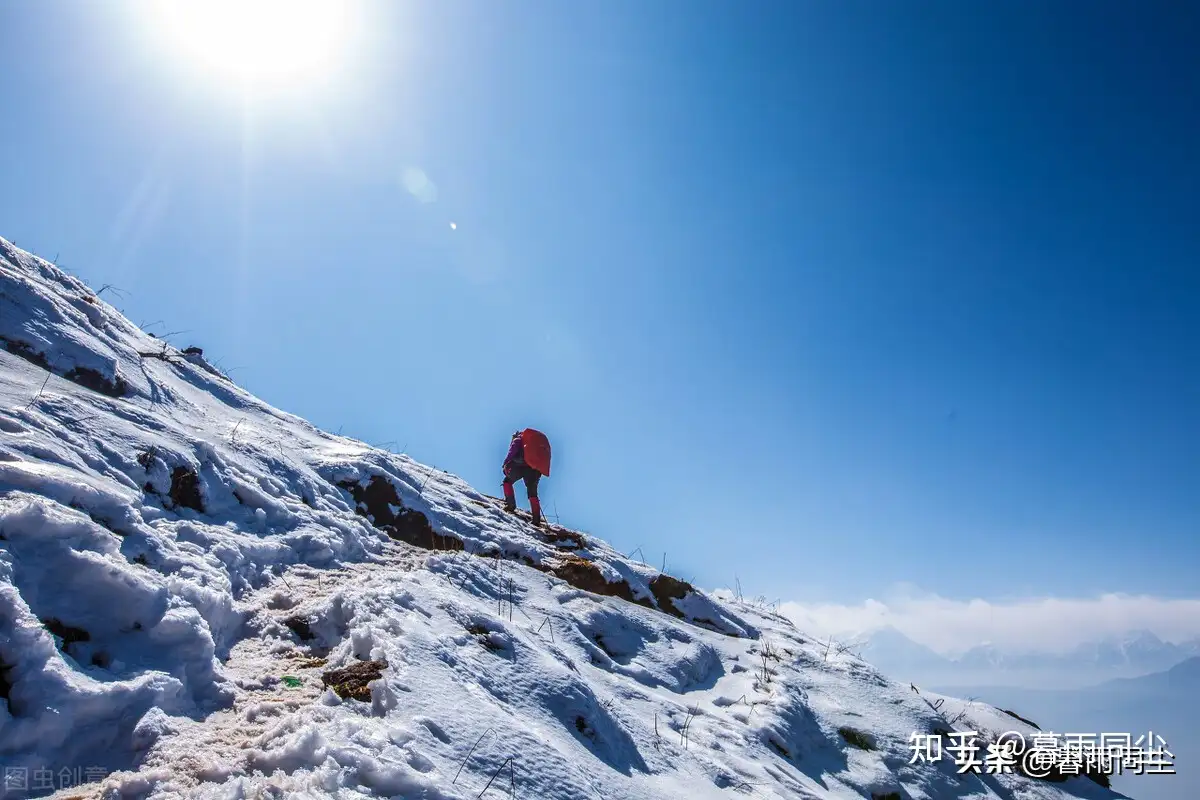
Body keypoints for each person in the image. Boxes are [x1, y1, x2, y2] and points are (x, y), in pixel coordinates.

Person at [502, 428, 551, 526]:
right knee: (532, 493)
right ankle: (536, 519)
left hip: (519, 465)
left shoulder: (518, 439)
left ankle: (510, 505)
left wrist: (506, 463)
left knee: (507, 481)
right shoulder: (533, 445)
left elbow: (512, 451)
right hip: (534, 469)